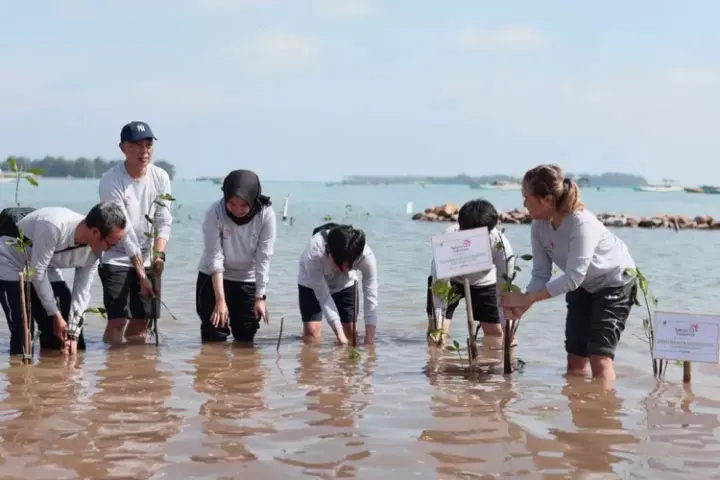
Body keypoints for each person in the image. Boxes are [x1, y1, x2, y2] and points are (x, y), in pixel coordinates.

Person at [500, 164, 637, 381]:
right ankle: (580, 409)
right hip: (583, 285)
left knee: (599, 357)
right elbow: (541, 275)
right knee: (575, 357)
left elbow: (573, 277)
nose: (523, 204)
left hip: (615, 282)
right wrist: (524, 303)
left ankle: (603, 412)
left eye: (527, 197)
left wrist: (529, 297)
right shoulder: (538, 225)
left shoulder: (581, 223)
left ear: (548, 200)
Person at [0, 203, 127, 355]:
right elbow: (37, 273)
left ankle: (55, 372)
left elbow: (82, 291)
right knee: (24, 331)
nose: (111, 250)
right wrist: (55, 315)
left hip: (45, 264)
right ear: (95, 232)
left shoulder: (95, 251)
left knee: (65, 325)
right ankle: (20, 373)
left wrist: (73, 334)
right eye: (111, 244)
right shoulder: (54, 225)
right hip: (11, 260)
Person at [98, 120, 173, 344]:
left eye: (148, 145)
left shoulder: (161, 177)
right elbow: (123, 229)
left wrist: (159, 257)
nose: (144, 151)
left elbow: (163, 220)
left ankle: (136, 369)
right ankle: (112, 365)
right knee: (118, 319)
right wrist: (141, 276)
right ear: (123, 148)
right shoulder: (111, 180)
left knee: (142, 320)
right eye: (137, 145)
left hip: (148, 255)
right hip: (116, 256)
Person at [196, 169, 277, 343]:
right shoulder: (215, 212)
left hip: (247, 279)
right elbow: (215, 257)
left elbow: (264, 257)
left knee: (246, 336)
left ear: (253, 199)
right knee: (214, 335)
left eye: (244, 205)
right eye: (232, 204)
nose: (237, 210)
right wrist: (220, 300)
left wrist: (260, 297)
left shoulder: (266, 215)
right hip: (213, 277)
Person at [426, 198, 513, 346]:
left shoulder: (501, 246)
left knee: (496, 335)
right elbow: (439, 285)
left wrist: (508, 330)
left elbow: (504, 289)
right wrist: (438, 326)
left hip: (484, 282)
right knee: (437, 334)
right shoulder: (447, 240)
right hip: (451, 281)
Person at [297, 223, 378, 345]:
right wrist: (340, 336)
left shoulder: (366, 256)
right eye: (339, 265)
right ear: (329, 251)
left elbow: (371, 296)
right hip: (311, 282)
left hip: (344, 283)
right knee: (312, 331)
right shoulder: (314, 253)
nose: (344, 270)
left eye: (349, 266)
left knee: (350, 332)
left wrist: (369, 340)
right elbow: (324, 297)